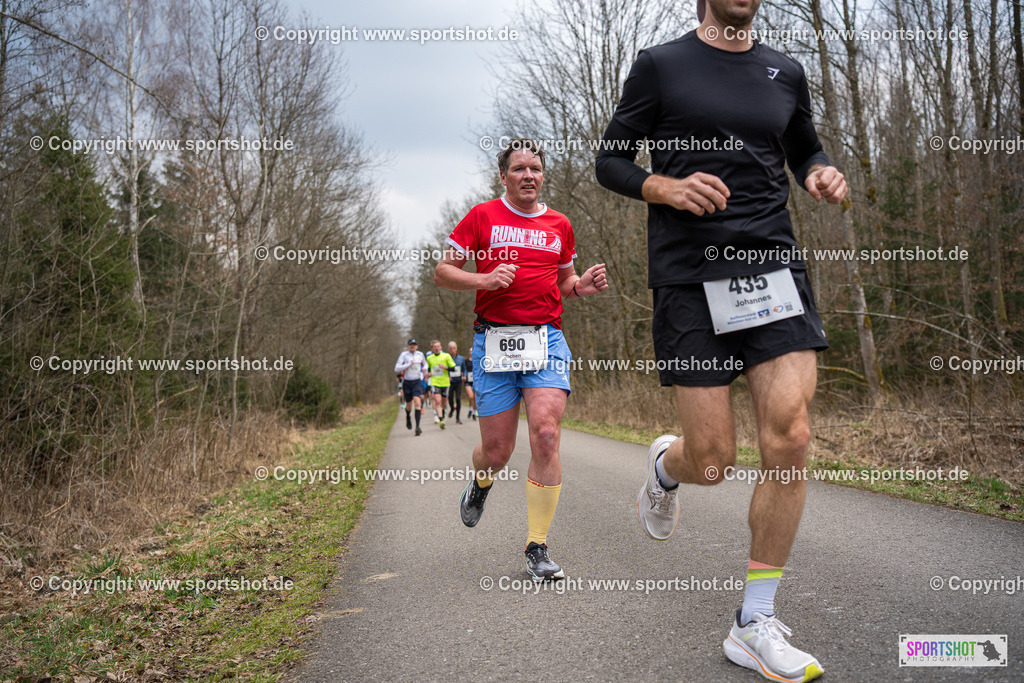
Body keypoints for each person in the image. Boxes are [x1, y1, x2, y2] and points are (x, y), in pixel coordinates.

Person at [595, 0, 847, 680]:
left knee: (789, 433)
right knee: (712, 459)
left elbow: (804, 148)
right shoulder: (661, 66)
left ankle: (754, 620)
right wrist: (665, 187)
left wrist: (820, 171)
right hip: (689, 278)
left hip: (772, 269)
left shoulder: (784, 70)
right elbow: (610, 162)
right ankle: (664, 468)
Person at [436, 138, 608, 580]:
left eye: (535, 168)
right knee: (497, 451)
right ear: (503, 176)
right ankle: (482, 482)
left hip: (545, 340)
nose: (528, 175)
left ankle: (537, 546)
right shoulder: (482, 216)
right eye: (519, 169)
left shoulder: (560, 224)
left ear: (543, 175)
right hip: (493, 342)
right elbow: (444, 271)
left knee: (546, 434)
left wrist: (580, 286)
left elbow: (565, 280)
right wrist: (485, 278)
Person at [394, 339, 428, 436]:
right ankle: (408, 415)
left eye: (414, 345)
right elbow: (396, 368)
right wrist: (408, 364)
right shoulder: (404, 355)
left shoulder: (420, 354)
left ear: (417, 346)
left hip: (417, 381)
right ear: (408, 346)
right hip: (407, 382)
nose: (412, 346)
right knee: (408, 405)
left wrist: (425, 368)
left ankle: (417, 427)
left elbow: (425, 363)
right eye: (411, 345)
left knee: (417, 402)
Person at [425, 339, 456, 429]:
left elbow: (453, 368)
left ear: (441, 347)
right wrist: (428, 374)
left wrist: (445, 367)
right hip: (435, 382)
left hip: (445, 382)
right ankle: (441, 419)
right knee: (437, 401)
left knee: (444, 402)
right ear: (432, 349)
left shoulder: (446, 356)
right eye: (434, 347)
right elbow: (428, 370)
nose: (436, 348)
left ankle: (443, 411)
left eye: (438, 346)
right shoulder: (429, 358)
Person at [447, 341, 467, 424]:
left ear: (456, 348)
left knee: (458, 398)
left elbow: (464, 369)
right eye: (451, 349)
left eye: (454, 348)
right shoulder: (447, 358)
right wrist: (447, 376)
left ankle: (458, 418)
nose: (452, 350)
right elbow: (445, 368)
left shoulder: (461, 358)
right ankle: (452, 408)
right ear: (449, 349)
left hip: (458, 381)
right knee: (450, 398)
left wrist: (464, 375)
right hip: (450, 381)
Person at [464, 348, 477, 420]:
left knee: (475, 398)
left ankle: (474, 412)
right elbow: (463, 369)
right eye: (470, 351)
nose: (471, 352)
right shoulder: (466, 361)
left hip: (475, 381)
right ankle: (470, 408)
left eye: (472, 351)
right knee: (471, 396)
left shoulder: (477, 360)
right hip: (468, 381)